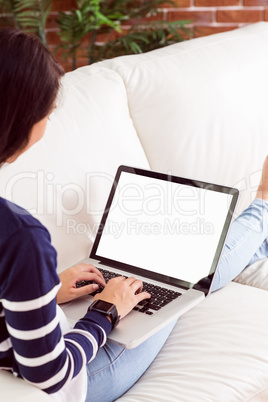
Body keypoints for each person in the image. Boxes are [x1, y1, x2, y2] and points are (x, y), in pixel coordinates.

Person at [0, 27, 268, 402]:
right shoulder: (20, 235)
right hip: (71, 384)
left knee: (177, 276)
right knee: (183, 281)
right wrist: (107, 311)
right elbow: (51, 375)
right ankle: (263, 210)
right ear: (22, 119)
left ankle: (256, 236)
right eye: (49, 109)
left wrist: (43, 292)